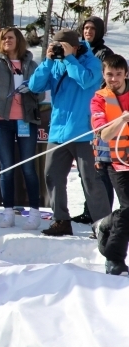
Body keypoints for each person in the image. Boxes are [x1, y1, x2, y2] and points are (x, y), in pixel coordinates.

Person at [28, 29, 112, 236]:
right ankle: (61, 220)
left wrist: (69, 59)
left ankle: (103, 225)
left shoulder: (91, 62)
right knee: (52, 175)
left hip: (84, 132)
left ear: (75, 47)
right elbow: (34, 86)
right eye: (55, 45)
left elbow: (85, 80)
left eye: (62, 46)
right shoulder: (55, 62)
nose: (59, 49)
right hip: (58, 132)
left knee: (91, 180)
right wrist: (48, 62)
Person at [0, 26, 41, 227]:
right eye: (4, 38)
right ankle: (8, 212)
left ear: (19, 40)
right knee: (6, 168)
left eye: (11, 37)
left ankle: (34, 212)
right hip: (1, 121)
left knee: (28, 168)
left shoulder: (31, 64)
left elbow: (41, 93)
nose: (7, 40)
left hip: (25, 121)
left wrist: (31, 87)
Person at [75, 15, 115, 225]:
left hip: (102, 113)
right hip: (84, 112)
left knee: (100, 168)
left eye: (92, 28)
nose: (88, 31)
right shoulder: (79, 50)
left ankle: (102, 213)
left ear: (99, 31)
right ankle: (89, 209)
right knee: (88, 169)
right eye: (85, 28)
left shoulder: (103, 53)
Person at [91, 54, 129, 275]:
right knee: (128, 207)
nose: (113, 79)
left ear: (125, 74)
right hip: (113, 160)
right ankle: (114, 258)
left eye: (118, 74)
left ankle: (105, 223)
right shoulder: (99, 99)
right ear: (103, 75)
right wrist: (121, 119)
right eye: (109, 75)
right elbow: (104, 133)